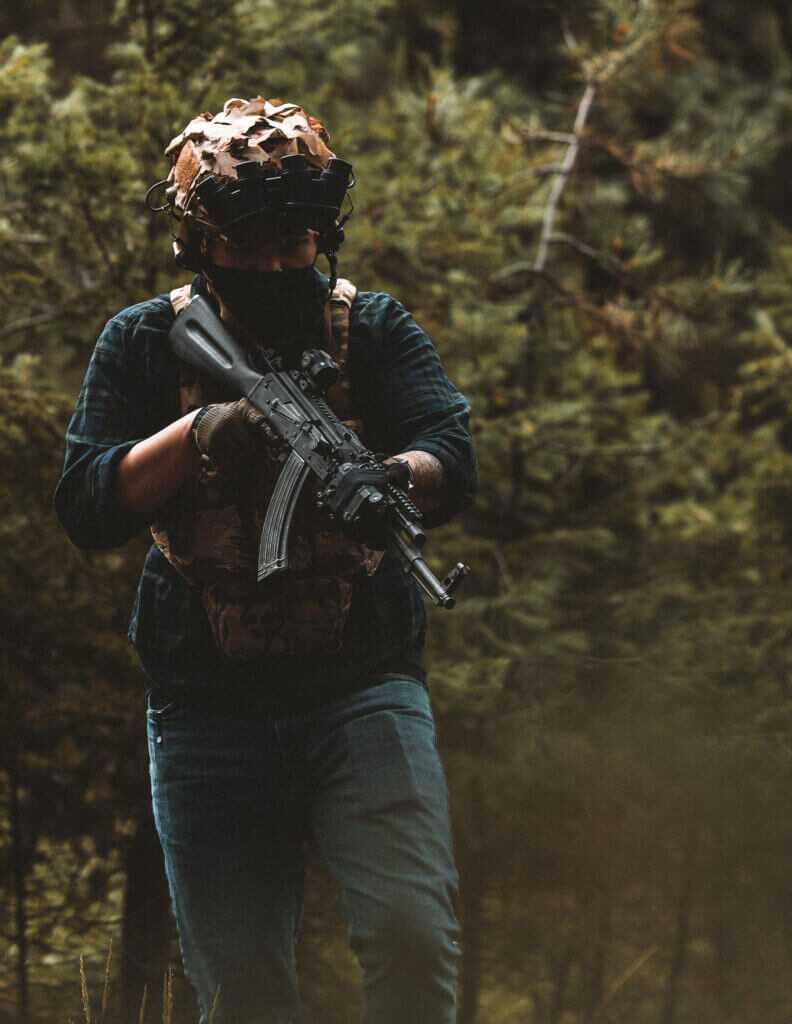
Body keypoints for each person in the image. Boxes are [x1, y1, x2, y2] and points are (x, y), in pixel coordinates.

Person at [54, 96, 477, 1023]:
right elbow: (86, 500)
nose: (286, 264)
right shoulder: (141, 340)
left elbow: (451, 450)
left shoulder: (369, 326)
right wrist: (206, 431)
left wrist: (387, 475)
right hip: (207, 705)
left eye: (301, 243)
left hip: (362, 683)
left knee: (412, 939)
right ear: (203, 244)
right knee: (242, 987)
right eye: (260, 246)